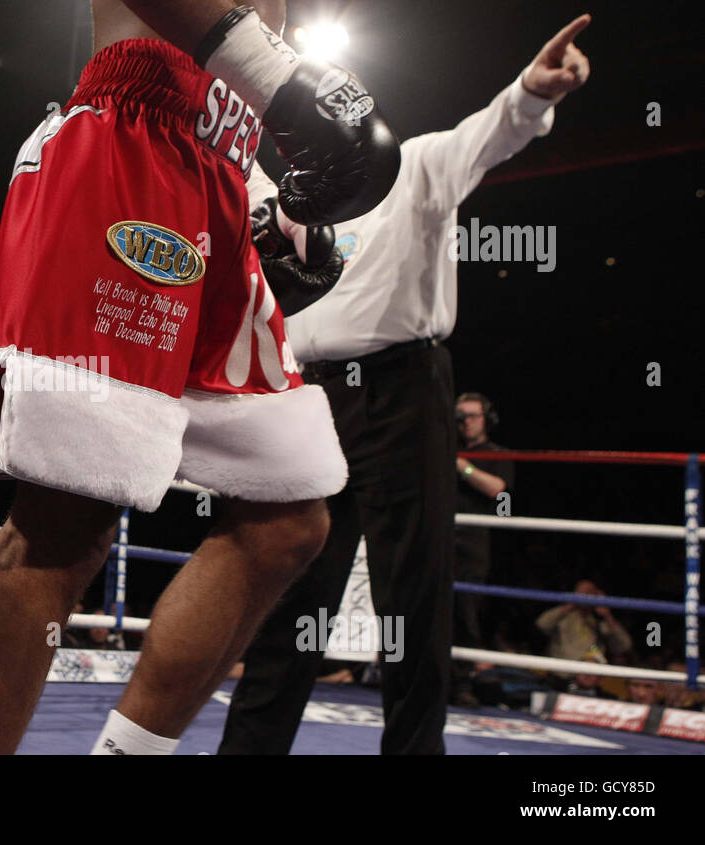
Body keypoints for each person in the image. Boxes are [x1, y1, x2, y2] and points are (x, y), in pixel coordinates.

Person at [0, 0, 400, 754]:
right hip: (134, 144)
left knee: (289, 519)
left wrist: (261, 201)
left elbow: (230, 89)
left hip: (219, 178)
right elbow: (222, 52)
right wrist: (279, 77)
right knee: (65, 522)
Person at [220, 14, 592, 754]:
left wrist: (532, 91)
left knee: (412, 592)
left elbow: (489, 133)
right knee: (291, 586)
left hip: (403, 391)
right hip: (309, 398)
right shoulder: (283, 196)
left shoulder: (418, 164)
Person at [451, 391, 515, 706]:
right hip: (438, 538)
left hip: (472, 545)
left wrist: (461, 466)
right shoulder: (444, 450)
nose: (466, 423)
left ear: (486, 419)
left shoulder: (497, 454)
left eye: (472, 416)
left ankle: (461, 683)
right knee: (428, 608)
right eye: (460, 417)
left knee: (465, 614)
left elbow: (498, 490)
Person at [535, 578, 633, 663]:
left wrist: (607, 615)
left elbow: (624, 645)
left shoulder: (600, 621)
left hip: (591, 673)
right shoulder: (563, 615)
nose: (585, 596)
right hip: (563, 672)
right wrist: (570, 605)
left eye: (589, 592)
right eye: (581, 592)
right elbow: (541, 625)